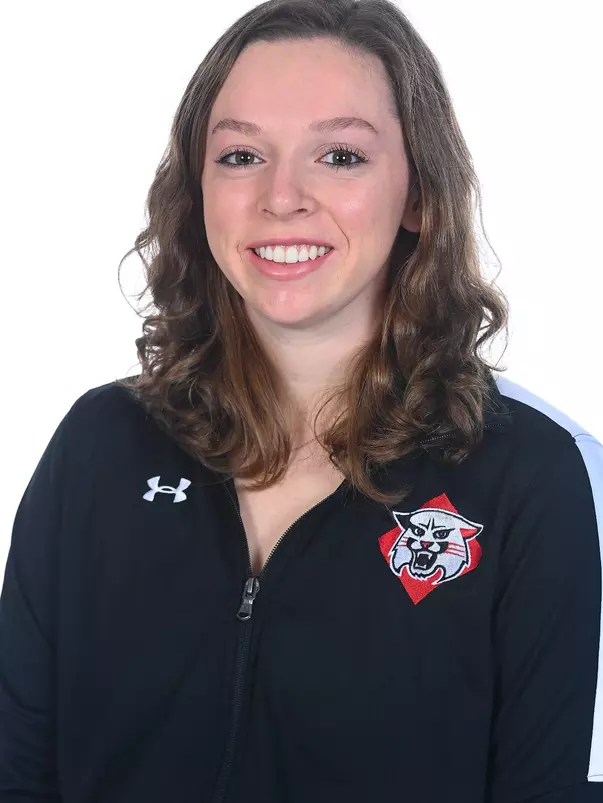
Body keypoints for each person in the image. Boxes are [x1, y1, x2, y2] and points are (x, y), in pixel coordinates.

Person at [1, 0, 602, 800]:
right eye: (242, 154)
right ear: (198, 188)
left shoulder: (528, 478)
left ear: (418, 196)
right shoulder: (100, 444)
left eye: (340, 156)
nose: (281, 197)